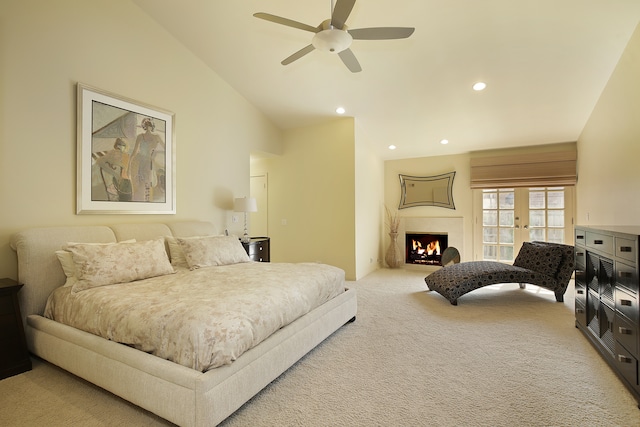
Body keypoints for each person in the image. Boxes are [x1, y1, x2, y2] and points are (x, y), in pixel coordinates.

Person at [129, 117, 165, 202]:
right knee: (141, 183)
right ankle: (141, 201)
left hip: (149, 162)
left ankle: (147, 201)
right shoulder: (140, 137)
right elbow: (134, 151)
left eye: (150, 124)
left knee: (148, 182)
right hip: (140, 161)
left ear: (152, 126)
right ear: (144, 126)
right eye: (146, 124)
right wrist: (129, 165)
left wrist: (155, 154)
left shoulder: (157, 137)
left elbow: (166, 148)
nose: (148, 126)